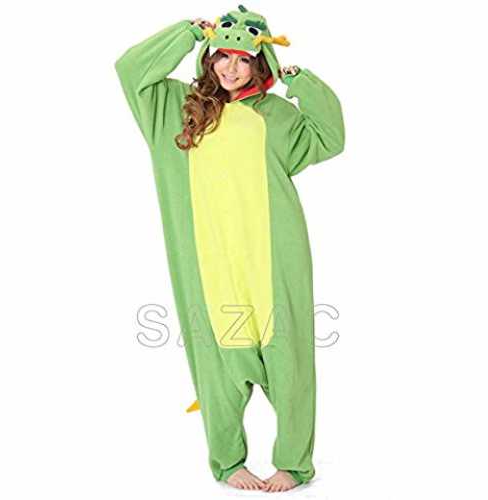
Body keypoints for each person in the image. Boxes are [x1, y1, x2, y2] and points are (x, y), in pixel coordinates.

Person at [115, 4, 345, 493]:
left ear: (260, 63)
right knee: (217, 361)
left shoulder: (276, 117)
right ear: (208, 57)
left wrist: (301, 82)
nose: (231, 68)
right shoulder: (175, 109)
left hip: (273, 260)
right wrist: (184, 33)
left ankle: (293, 463)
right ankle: (227, 461)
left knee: (290, 362)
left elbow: (330, 137)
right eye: (222, 56)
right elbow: (131, 69)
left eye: (243, 59)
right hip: (208, 263)